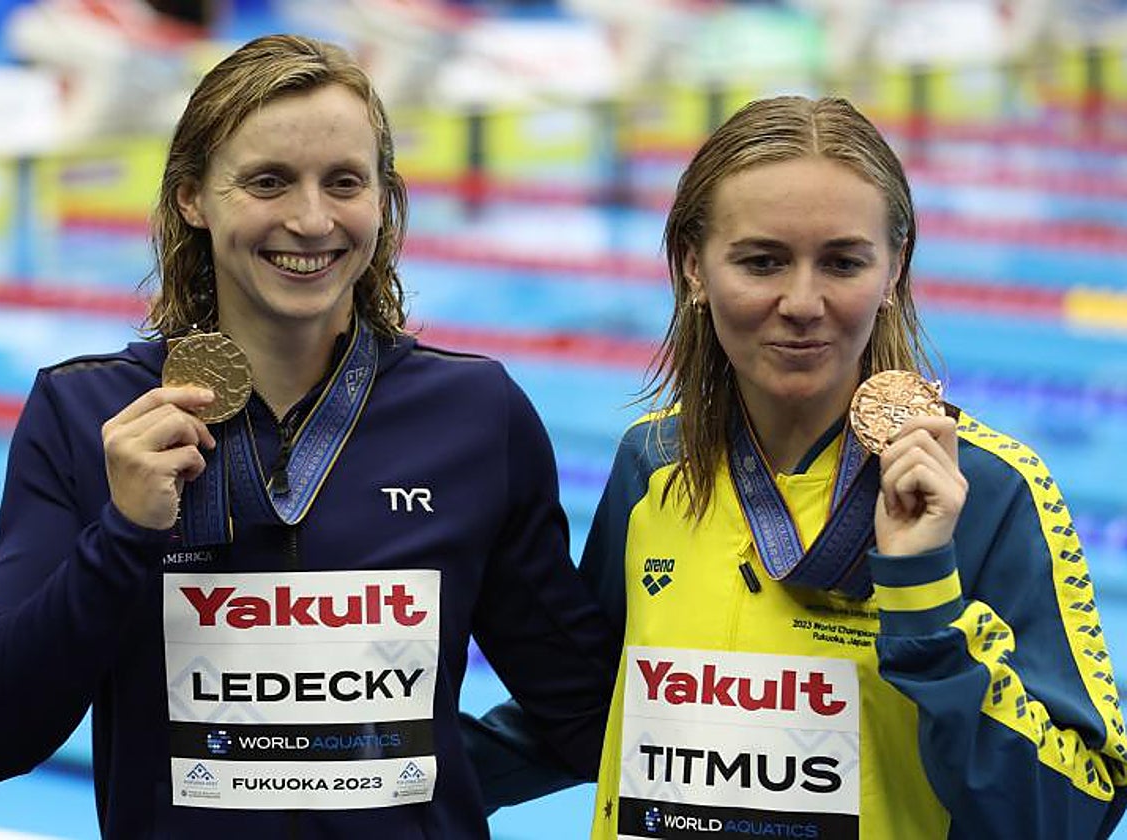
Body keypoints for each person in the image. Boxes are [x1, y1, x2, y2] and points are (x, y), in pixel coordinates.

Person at [0, 34, 615, 838]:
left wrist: (431, 774)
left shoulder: (475, 415)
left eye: (344, 183)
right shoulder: (90, 413)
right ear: (193, 197)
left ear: (383, 199)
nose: (310, 219)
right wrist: (121, 535)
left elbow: (586, 712)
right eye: (268, 182)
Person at [474, 95, 1127, 838]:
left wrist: (925, 602)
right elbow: (588, 710)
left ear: (894, 270)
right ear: (694, 265)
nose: (803, 302)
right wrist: (384, 776)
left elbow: (1074, 813)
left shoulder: (986, 491)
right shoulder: (650, 466)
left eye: (843, 262)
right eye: (763, 261)